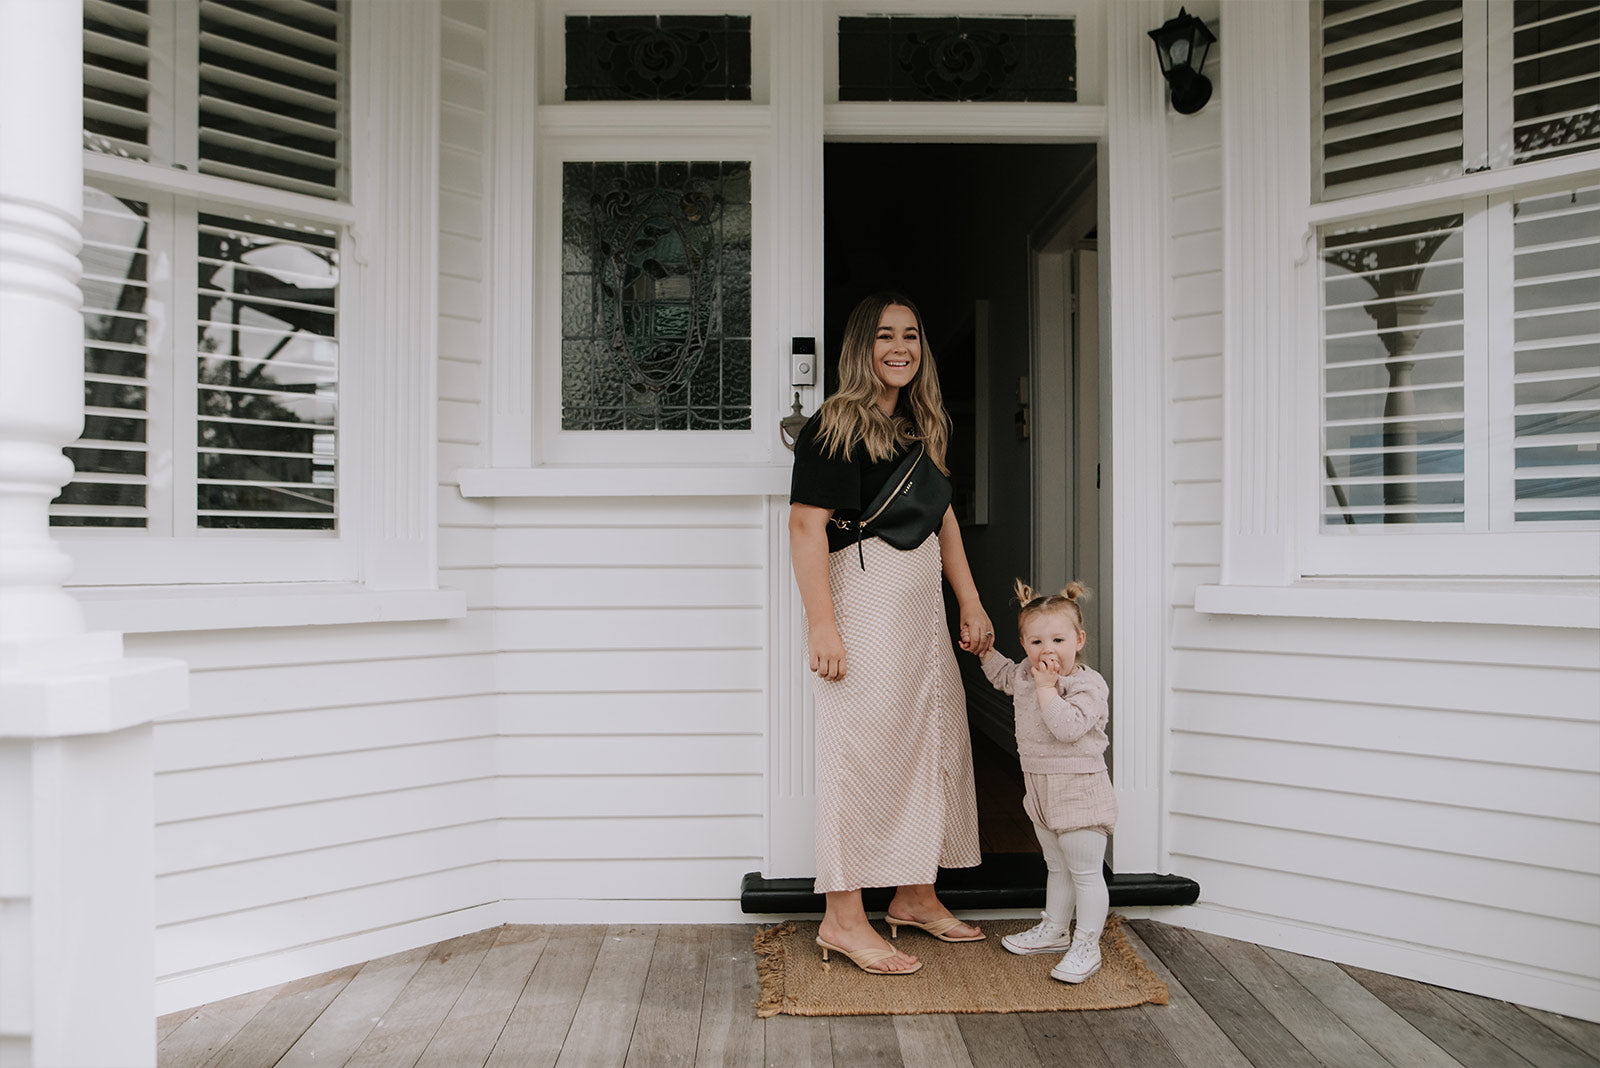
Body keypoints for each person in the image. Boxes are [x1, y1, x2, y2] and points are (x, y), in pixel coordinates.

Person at [788, 292, 995, 976]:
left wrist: (969, 600)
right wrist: (824, 622)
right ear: (861, 347)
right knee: (863, 748)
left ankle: (914, 894)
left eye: (910, 335)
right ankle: (843, 918)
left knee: (932, 734)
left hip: (920, 606)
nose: (900, 347)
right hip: (865, 599)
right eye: (885, 335)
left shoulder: (920, 426)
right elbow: (806, 526)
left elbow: (944, 522)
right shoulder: (834, 424)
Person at [971, 579, 1115, 984]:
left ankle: (1088, 944)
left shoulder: (1085, 685)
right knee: (1056, 866)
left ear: (1079, 639)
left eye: (1057, 639)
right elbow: (1003, 676)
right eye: (1036, 642)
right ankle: (1055, 929)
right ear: (1024, 644)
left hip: (1078, 787)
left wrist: (1048, 689)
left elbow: (1067, 728)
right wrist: (985, 652)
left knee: (1085, 872)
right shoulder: (1025, 673)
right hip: (1039, 787)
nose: (1046, 650)